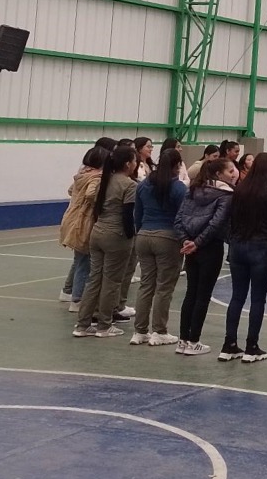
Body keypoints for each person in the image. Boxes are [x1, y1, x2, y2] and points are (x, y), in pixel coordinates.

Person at [224, 153, 267, 363]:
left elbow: (230, 220)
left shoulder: (239, 189)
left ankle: (229, 344)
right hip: (262, 247)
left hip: (238, 246)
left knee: (237, 297)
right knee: (258, 298)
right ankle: (252, 346)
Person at [72, 146, 138, 338]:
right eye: (134, 161)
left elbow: (96, 208)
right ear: (127, 164)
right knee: (112, 281)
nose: (135, 165)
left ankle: (83, 324)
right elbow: (128, 215)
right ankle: (104, 325)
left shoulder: (103, 180)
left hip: (98, 231)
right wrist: (130, 235)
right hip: (116, 235)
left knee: (95, 279)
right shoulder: (129, 185)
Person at [174, 158, 236, 356]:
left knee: (191, 292)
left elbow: (179, 219)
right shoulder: (226, 195)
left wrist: (187, 241)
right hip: (209, 247)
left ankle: (183, 340)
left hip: (192, 247)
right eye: (230, 170)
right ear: (219, 174)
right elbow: (216, 224)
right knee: (202, 295)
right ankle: (193, 341)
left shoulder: (192, 190)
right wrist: (197, 243)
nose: (233, 174)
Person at [131, 149, 187, 347]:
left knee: (146, 284)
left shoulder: (144, 185)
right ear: (177, 165)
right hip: (167, 237)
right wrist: (184, 239)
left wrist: (140, 232)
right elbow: (183, 216)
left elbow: (137, 213)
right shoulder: (178, 188)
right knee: (164, 286)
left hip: (144, 235)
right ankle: (159, 331)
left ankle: (139, 331)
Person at [59, 146, 109, 313]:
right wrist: (99, 204)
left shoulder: (82, 175)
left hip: (72, 219)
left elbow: (71, 190)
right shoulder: (96, 177)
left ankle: (74, 294)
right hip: (84, 222)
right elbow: (90, 194)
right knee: (85, 263)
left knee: (81, 261)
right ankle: (78, 299)